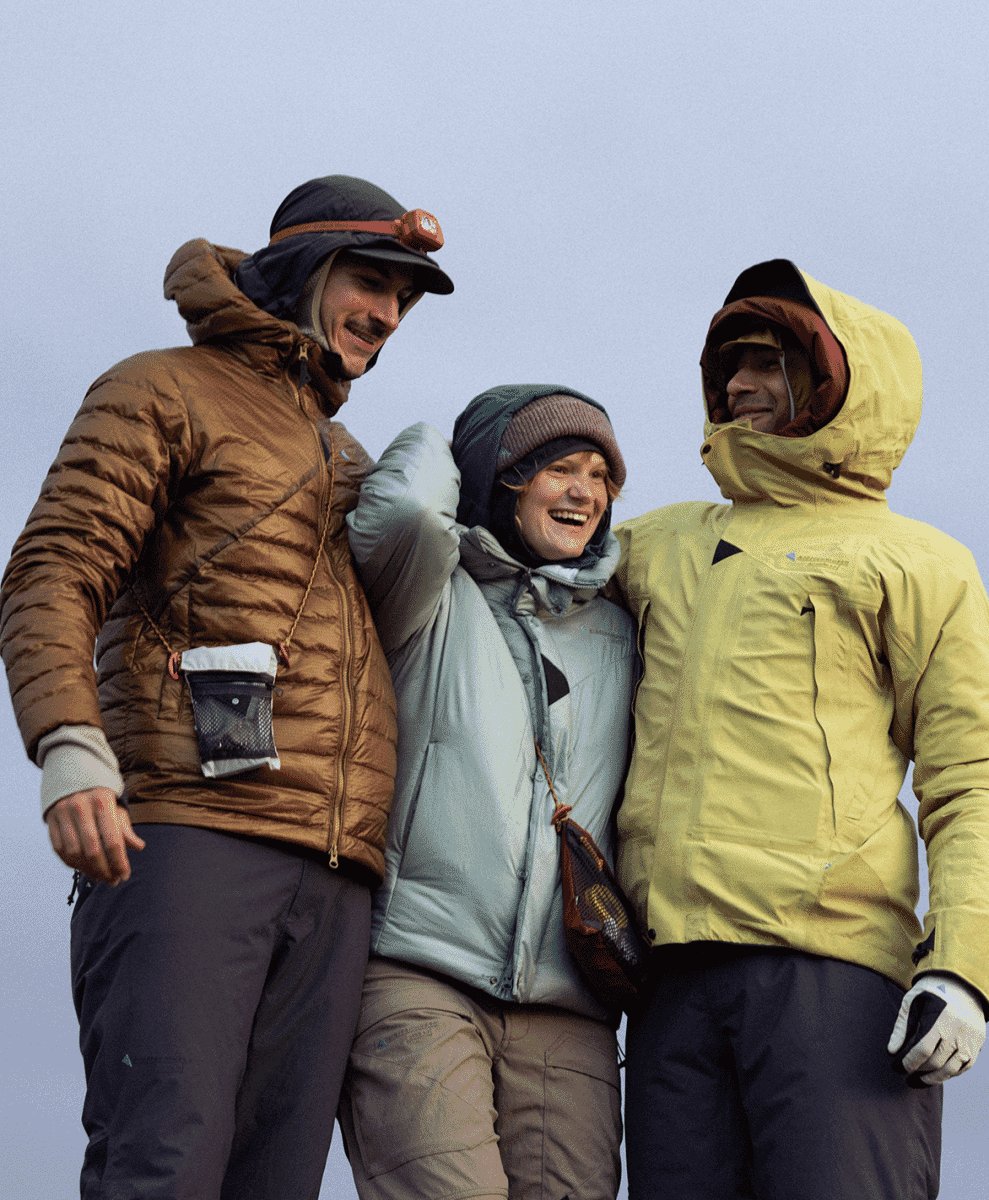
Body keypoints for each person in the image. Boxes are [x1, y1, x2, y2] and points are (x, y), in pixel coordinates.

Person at [0, 174, 453, 1200]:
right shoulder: (159, 387)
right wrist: (69, 746)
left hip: (335, 871)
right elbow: (54, 568)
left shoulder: (348, 456)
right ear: (302, 268)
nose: (385, 314)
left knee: (276, 1182)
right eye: (369, 281)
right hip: (188, 835)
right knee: (164, 1160)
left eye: (403, 298)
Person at [613, 259, 989, 1200]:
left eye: (767, 365)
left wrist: (962, 968)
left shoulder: (919, 564)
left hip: (833, 981)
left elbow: (968, 780)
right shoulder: (657, 544)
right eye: (729, 366)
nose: (735, 386)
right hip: (666, 982)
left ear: (834, 383)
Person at [339, 386, 637, 1200]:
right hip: (418, 974)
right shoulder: (427, 593)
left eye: (599, 475)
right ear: (500, 478)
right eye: (554, 468)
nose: (582, 490)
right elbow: (401, 507)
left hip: (569, 1006)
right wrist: (457, 443)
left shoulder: (622, 627)